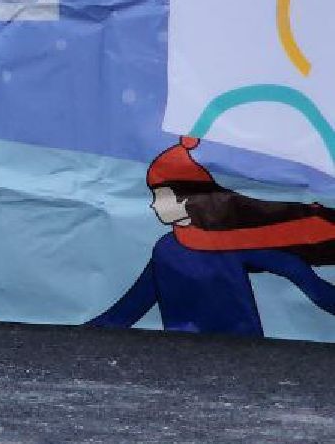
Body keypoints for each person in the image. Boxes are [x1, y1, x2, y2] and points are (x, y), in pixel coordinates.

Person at [89, 134, 335, 336]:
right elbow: (134, 304)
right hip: (180, 354)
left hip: (243, 352)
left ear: (186, 199)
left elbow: (296, 271)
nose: (153, 205)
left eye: (160, 197)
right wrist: (86, 332)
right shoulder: (166, 248)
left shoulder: (231, 241)